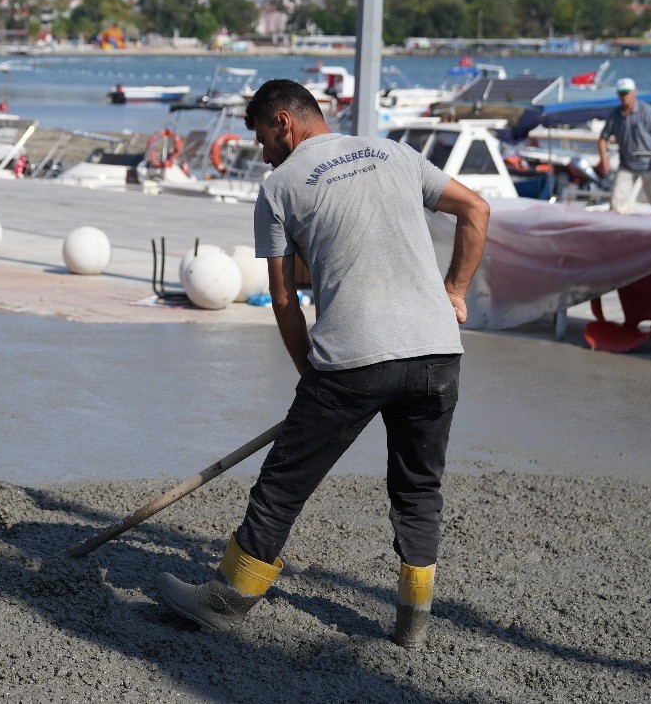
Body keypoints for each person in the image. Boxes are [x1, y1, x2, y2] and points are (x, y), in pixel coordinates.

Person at [156, 79, 490, 649]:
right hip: (437, 352)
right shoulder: (396, 153)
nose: (261, 152)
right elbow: (476, 209)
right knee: (418, 487)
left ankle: (228, 599)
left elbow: (283, 299)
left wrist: (308, 373)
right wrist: (454, 290)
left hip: (353, 360)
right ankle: (412, 621)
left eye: (262, 138)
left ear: (284, 122)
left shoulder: (280, 187)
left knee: (284, 482)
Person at [598, 77, 651, 214]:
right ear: (618, 95)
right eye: (622, 93)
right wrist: (604, 159)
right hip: (627, 166)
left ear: (634, 92)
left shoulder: (645, 110)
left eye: (627, 93)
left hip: (649, 165)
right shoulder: (614, 115)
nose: (625, 96)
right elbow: (602, 139)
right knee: (614, 204)